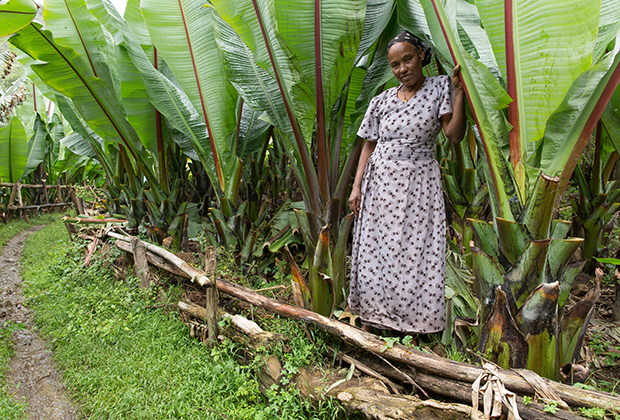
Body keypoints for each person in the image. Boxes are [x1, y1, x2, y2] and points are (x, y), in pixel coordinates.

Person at [348, 30, 466, 335]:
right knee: (379, 249)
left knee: (415, 250)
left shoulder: (440, 87)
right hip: (380, 184)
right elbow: (369, 145)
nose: (403, 69)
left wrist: (459, 93)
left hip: (418, 183)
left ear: (422, 56)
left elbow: (454, 135)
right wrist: (356, 186)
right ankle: (378, 318)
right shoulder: (381, 100)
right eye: (396, 64)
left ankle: (414, 324)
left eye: (408, 59)